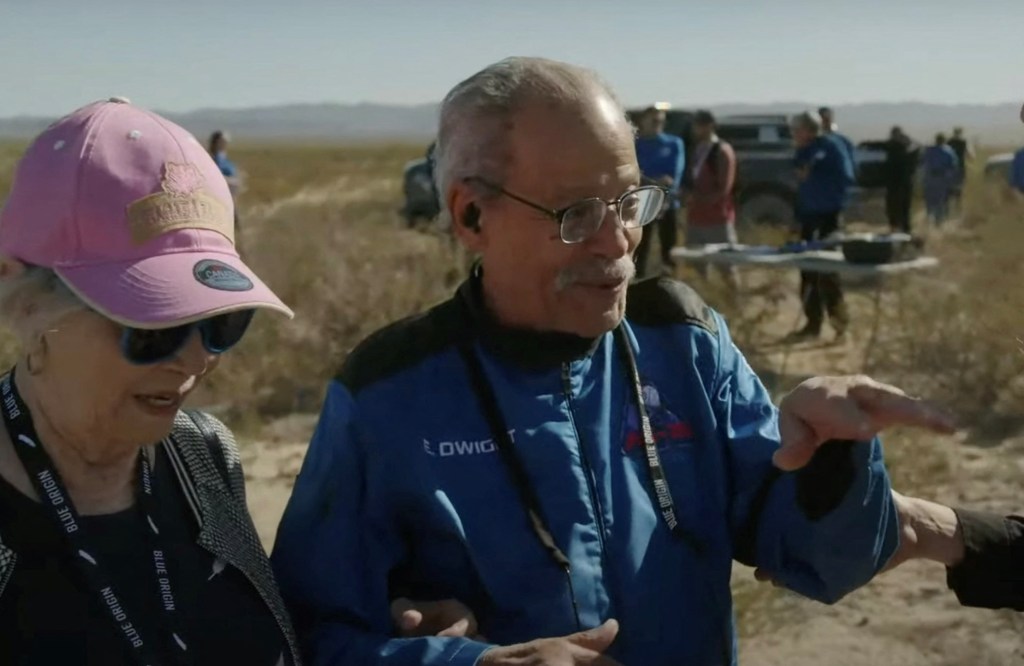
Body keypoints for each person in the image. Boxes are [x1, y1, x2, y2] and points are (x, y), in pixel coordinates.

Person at [270, 57, 931, 666]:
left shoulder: (683, 342)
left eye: (629, 202)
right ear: (472, 215)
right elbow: (309, 635)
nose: (619, 243)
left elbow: (822, 558)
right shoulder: (388, 393)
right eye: (579, 214)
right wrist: (468, 664)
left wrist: (835, 457)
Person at [0, 97, 299, 664]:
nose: (194, 360)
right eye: (152, 327)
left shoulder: (205, 453)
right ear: (24, 303)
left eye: (219, 323)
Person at [790, 110, 854, 341]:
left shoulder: (831, 146)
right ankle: (812, 325)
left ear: (809, 129)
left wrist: (825, 188)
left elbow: (846, 177)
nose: (794, 134)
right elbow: (800, 174)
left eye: (798, 129)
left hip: (828, 216)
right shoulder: (803, 150)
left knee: (828, 272)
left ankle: (840, 326)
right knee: (807, 271)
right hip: (808, 215)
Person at [684, 110, 739, 291]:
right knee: (697, 267)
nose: (695, 129)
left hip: (717, 218)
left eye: (699, 125)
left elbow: (724, 188)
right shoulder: (697, 149)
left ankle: (735, 304)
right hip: (696, 218)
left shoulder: (722, 151)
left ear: (710, 126)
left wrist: (701, 200)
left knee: (726, 266)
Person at [632, 105, 685, 278]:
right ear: (643, 121)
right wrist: (654, 181)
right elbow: (634, 172)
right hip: (642, 201)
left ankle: (669, 284)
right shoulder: (636, 144)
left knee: (669, 249)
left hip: (668, 202)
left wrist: (661, 185)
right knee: (640, 247)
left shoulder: (673, 143)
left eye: (660, 120)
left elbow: (675, 173)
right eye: (653, 119)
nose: (657, 123)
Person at [208, 130, 245, 253]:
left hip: (232, 199)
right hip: (224, 200)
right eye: (223, 140)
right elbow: (217, 177)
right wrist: (233, 181)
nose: (225, 143)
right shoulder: (215, 159)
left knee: (236, 227)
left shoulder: (223, 157)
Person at [880, 126, 921, 234]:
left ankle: (902, 229)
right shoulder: (907, 146)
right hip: (898, 182)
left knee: (901, 207)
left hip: (901, 182)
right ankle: (899, 229)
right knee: (898, 207)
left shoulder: (901, 146)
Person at [921, 133, 960, 226]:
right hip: (937, 178)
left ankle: (936, 221)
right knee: (937, 200)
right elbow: (954, 165)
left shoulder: (931, 150)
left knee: (935, 201)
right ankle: (935, 221)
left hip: (936, 178)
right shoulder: (947, 151)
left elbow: (922, 162)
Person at [818, 106, 858, 173]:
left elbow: (851, 164)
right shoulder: (811, 143)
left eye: (826, 119)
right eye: (823, 119)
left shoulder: (843, 141)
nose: (824, 122)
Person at [946, 127, 972, 212]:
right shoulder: (963, 142)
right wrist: (970, 158)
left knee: (950, 185)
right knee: (959, 185)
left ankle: (948, 206)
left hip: (950, 167)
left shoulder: (949, 142)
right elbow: (968, 154)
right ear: (960, 133)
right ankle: (958, 205)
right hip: (960, 166)